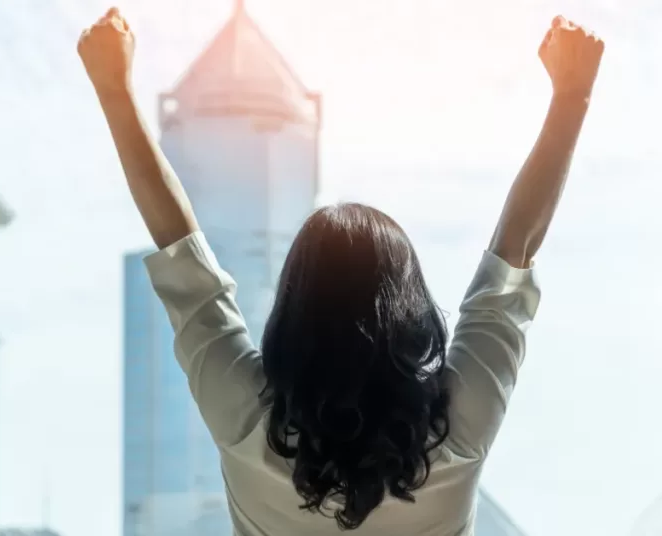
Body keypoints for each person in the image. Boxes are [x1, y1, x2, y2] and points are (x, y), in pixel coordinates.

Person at [79, 8, 603, 535]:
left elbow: (179, 245)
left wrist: (114, 89)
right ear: (412, 309)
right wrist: (572, 96)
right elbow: (514, 251)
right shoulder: (459, 427)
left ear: (291, 311)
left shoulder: (245, 420)